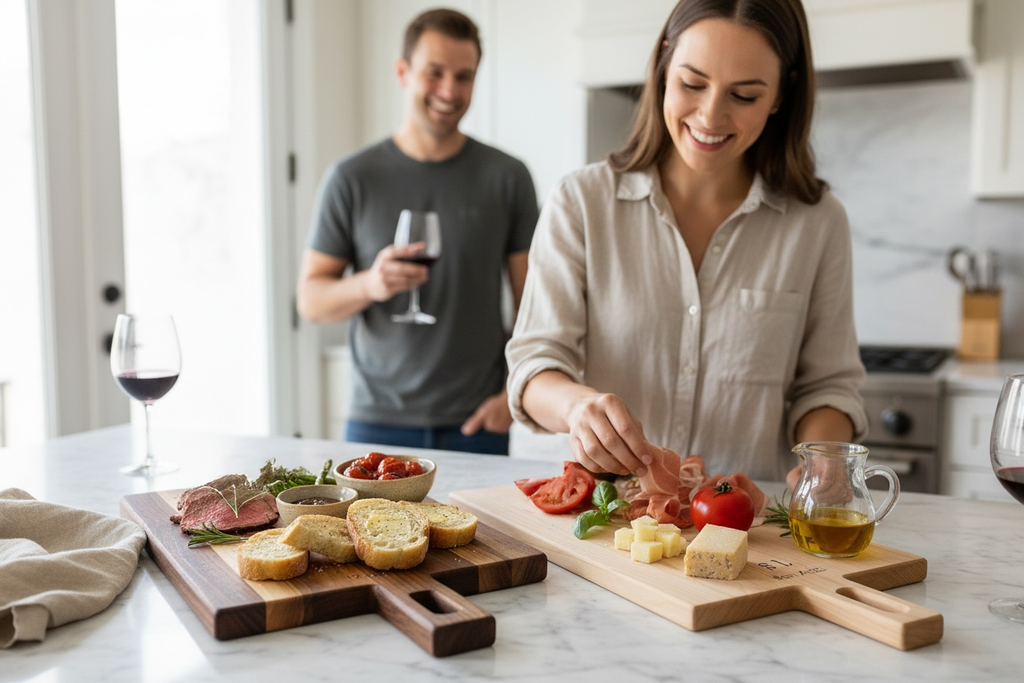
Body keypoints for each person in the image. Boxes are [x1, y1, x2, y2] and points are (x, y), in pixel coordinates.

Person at [506, 0, 867, 485]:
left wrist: (823, 461)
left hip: (738, 518)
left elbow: (828, 386)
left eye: (744, 95)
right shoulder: (581, 200)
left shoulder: (818, 223)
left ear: (782, 93)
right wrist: (576, 408)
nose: (711, 115)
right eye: (692, 84)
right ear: (663, 66)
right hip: (599, 511)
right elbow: (533, 369)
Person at [298, 8, 538, 455]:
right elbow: (310, 300)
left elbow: (533, 306)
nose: (449, 90)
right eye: (435, 73)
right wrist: (371, 284)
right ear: (402, 72)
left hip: (477, 424)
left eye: (464, 76)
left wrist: (512, 397)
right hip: (377, 424)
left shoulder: (508, 177)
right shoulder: (351, 177)